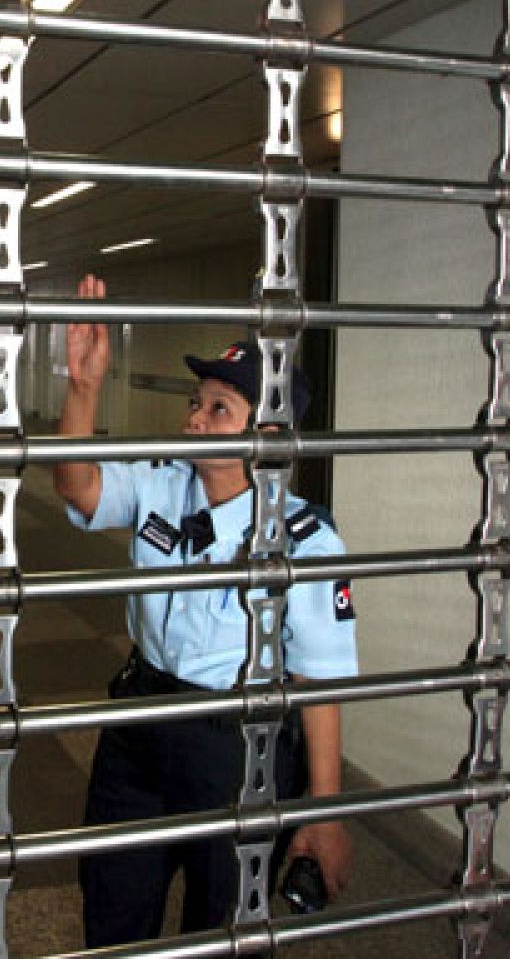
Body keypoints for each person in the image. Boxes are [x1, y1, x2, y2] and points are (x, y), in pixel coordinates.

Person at [52, 274, 357, 946]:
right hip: (139, 724)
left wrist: (324, 813)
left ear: (270, 434)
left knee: (220, 927)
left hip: (236, 749)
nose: (193, 416)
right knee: (112, 910)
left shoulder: (307, 540)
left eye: (219, 408)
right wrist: (83, 387)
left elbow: (320, 680)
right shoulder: (162, 481)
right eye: (197, 402)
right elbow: (77, 487)